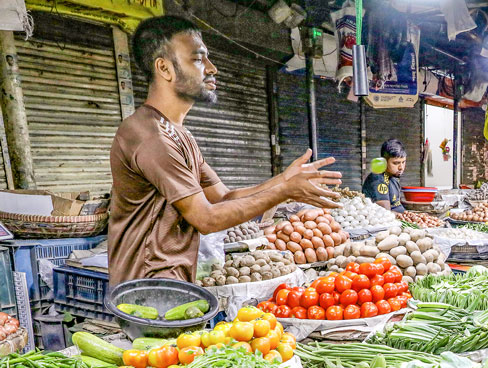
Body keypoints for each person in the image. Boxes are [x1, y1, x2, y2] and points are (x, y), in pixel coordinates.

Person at [108, 16, 341, 286]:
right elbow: (206, 218)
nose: (212, 68)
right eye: (198, 59)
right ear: (165, 68)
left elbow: (223, 198)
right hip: (146, 291)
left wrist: (284, 180)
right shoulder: (151, 135)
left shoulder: (179, 134)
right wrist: (283, 191)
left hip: (172, 284)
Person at [362, 139, 407, 212]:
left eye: (403, 162)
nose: (401, 167)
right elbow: (385, 213)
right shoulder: (378, 179)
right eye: (396, 163)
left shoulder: (393, 177)